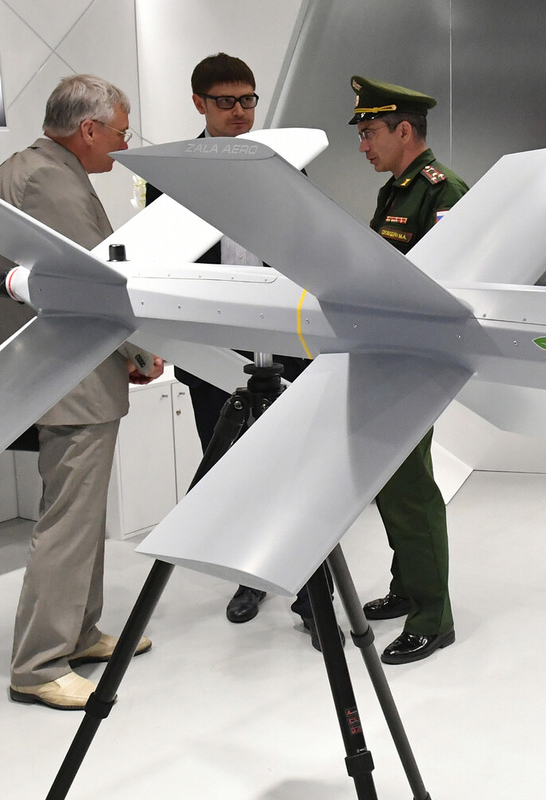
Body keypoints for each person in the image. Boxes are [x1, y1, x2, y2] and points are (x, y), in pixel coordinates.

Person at [0, 74, 164, 710]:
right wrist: (138, 351)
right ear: (89, 129)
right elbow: (92, 287)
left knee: (80, 516)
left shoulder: (25, 167)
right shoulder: (51, 182)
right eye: (120, 132)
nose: (123, 144)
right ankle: (38, 664)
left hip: (66, 370)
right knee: (67, 519)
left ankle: (80, 632)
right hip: (70, 375)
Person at [146, 53, 333, 648]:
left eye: (248, 99)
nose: (240, 112)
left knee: (298, 465)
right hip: (211, 343)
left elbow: (311, 244)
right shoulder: (169, 173)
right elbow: (159, 261)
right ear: (198, 103)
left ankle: (314, 594)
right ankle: (250, 575)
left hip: (286, 337)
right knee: (228, 463)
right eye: (226, 102)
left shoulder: (285, 164)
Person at [349, 75, 468, 665]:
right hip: (388, 355)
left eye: (370, 131)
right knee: (392, 484)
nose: (363, 144)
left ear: (403, 130)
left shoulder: (442, 192)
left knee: (411, 490)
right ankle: (408, 587)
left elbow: (449, 284)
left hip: (416, 361)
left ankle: (433, 617)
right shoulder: (395, 192)